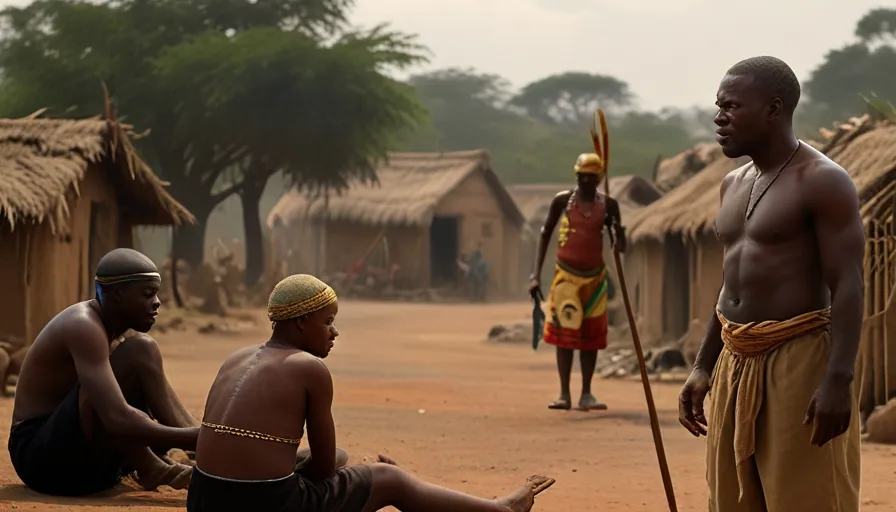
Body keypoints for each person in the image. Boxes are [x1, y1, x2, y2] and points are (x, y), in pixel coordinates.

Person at [188, 274, 555, 512]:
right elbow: (321, 465)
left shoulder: (237, 356)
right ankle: (502, 509)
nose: (335, 333)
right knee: (387, 478)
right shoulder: (308, 368)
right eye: (328, 322)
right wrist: (370, 477)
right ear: (300, 322)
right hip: (266, 504)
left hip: (203, 499)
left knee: (343, 458)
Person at [678, 56, 863, 511]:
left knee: (805, 496)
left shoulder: (823, 181)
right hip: (735, 359)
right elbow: (730, 285)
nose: (719, 118)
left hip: (799, 357)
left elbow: (849, 283)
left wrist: (838, 380)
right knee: (732, 499)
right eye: (718, 106)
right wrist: (704, 365)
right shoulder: (732, 184)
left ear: (774, 109)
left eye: (731, 106)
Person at [8, 248, 197, 497]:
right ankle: (151, 466)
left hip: (84, 465)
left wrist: (206, 440)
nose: (157, 302)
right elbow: (116, 417)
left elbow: (169, 410)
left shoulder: (112, 332)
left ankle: (171, 458)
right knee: (133, 359)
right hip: (41, 462)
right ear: (118, 294)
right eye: (148, 293)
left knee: (142, 352)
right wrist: (195, 438)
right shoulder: (83, 325)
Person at [529, 152, 625, 411]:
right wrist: (535, 274)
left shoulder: (608, 205)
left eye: (589, 178)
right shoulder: (562, 201)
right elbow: (545, 233)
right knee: (565, 336)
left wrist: (617, 229)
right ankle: (564, 394)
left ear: (598, 179)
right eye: (580, 177)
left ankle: (586, 393)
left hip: (595, 279)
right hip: (566, 278)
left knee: (590, 337)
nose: (583, 182)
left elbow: (620, 246)